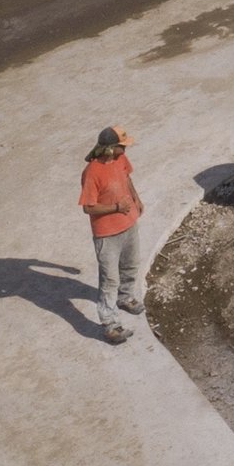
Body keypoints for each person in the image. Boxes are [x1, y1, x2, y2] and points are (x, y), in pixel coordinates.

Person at [77, 126, 144, 343]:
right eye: (121, 146)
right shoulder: (92, 173)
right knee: (109, 280)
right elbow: (88, 207)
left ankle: (125, 298)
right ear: (108, 149)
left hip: (129, 224)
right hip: (107, 234)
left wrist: (136, 199)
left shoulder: (121, 160)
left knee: (131, 265)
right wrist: (116, 207)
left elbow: (126, 179)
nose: (125, 149)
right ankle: (110, 325)